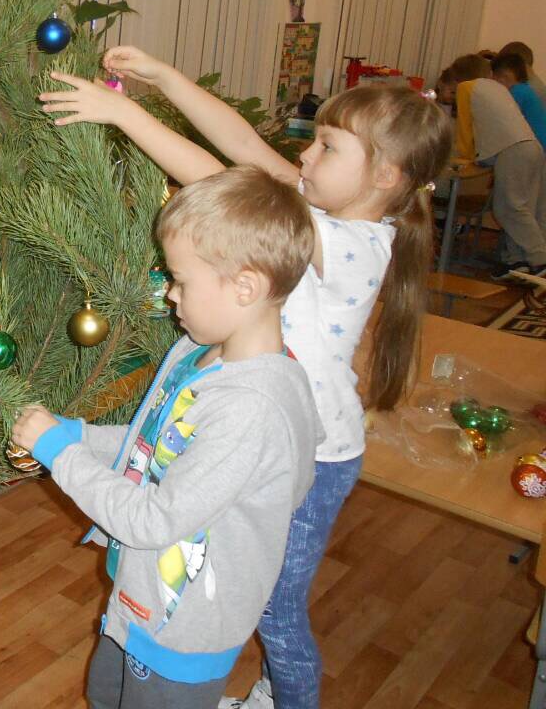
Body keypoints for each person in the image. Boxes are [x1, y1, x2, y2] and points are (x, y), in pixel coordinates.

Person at [39, 47, 452, 709]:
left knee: (272, 610)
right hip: (259, 425)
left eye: (327, 147)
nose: (305, 157)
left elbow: (220, 186)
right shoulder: (329, 219)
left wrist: (124, 115)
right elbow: (244, 147)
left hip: (307, 449)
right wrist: (166, 80)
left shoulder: (344, 242)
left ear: (387, 175)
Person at [12, 166, 322, 709]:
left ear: (245, 286)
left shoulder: (253, 409)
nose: (170, 294)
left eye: (180, 279)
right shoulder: (196, 352)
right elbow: (149, 442)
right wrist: (78, 435)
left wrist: (60, 455)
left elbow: (152, 520)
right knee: (106, 696)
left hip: (184, 630)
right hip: (138, 600)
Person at [450, 53, 546, 279]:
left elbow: (465, 129)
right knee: (524, 207)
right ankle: (517, 259)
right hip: (531, 147)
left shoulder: (467, 88)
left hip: (514, 151)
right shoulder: (497, 89)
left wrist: (463, 156)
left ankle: (539, 258)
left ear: (459, 79)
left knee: (508, 208)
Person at [491, 51, 546, 150]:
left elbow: (503, 124)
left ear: (503, 78)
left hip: (539, 149)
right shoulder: (525, 89)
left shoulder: (516, 93)